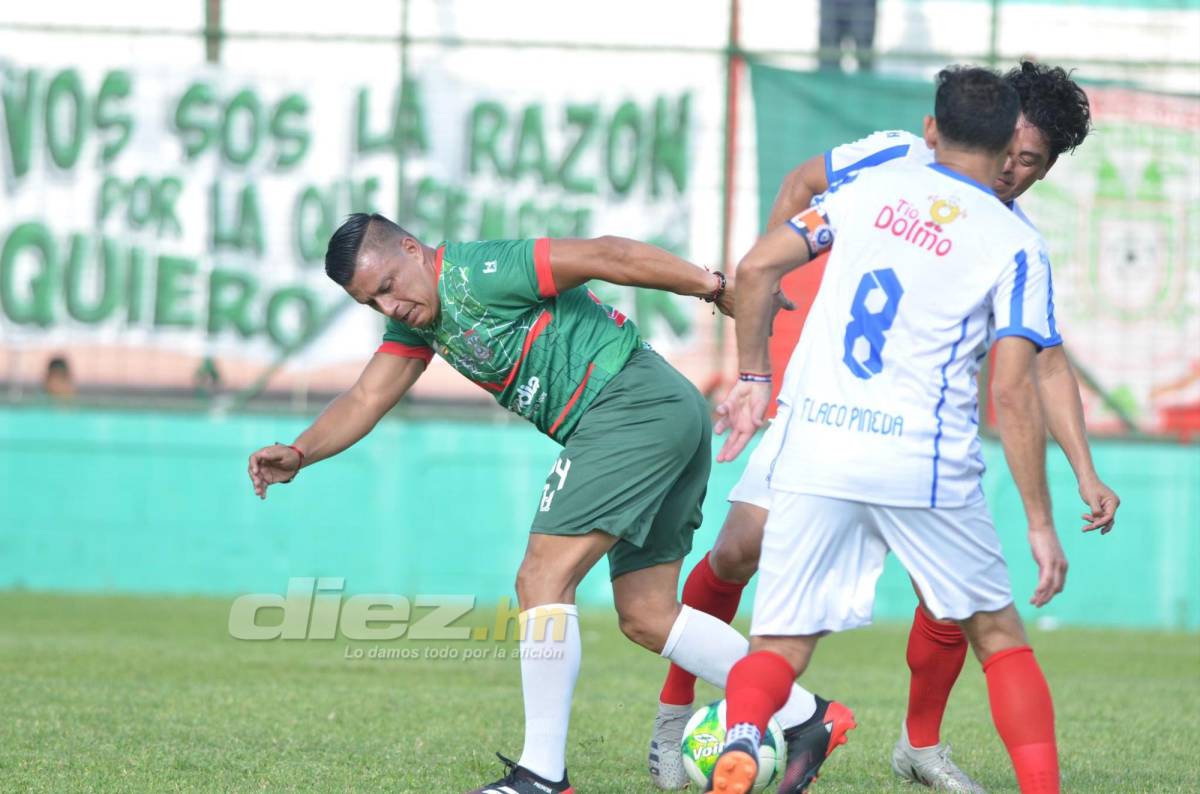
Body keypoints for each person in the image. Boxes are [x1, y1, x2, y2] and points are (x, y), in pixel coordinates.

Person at [650, 61, 1119, 792]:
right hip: (847, 420)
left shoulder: (985, 225)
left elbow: (1046, 365)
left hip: (841, 436)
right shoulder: (905, 171)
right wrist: (765, 337)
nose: (1015, 174)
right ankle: (676, 715)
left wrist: (1085, 469)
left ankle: (909, 745)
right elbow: (802, 185)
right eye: (1015, 154)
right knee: (740, 549)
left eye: (1033, 165)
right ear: (995, 134)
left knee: (902, 611)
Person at [245, 216, 833, 794]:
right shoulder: (420, 325)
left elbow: (609, 255)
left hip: (630, 406)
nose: (388, 306)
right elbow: (367, 396)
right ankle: (808, 718)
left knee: (541, 576)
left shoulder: (481, 273)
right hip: (658, 412)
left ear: (411, 248)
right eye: (371, 302)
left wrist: (718, 288)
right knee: (647, 615)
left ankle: (543, 775)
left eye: (388, 285)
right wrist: (301, 451)